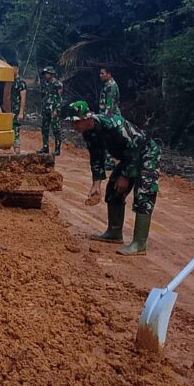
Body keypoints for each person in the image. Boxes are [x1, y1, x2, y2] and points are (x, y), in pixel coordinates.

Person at [67, 100, 160, 255]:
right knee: (113, 189)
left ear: (87, 118)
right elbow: (96, 157)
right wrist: (96, 185)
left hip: (145, 154)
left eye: (76, 122)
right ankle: (114, 233)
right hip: (128, 157)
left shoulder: (113, 124)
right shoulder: (89, 132)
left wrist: (125, 176)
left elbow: (134, 146)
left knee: (144, 194)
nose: (74, 127)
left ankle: (139, 244)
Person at [38, 66, 64, 155]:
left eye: (47, 73)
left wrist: (57, 110)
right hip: (46, 109)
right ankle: (45, 147)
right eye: (45, 74)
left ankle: (57, 149)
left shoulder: (58, 84)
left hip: (54, 110)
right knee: (44, 129)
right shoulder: (44, 83)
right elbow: (44, 96)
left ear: (51, 74)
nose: (46, 75)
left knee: (56, 129)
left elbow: (60, 99)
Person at [9, 59, 28, 153]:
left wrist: (21, 112)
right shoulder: (10, 81)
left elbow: (23, 98)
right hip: (10, 110)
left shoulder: (21, 83)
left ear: (16, 69)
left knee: (15, 131)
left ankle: (17, 153)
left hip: (16, 111)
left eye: (11, 68)